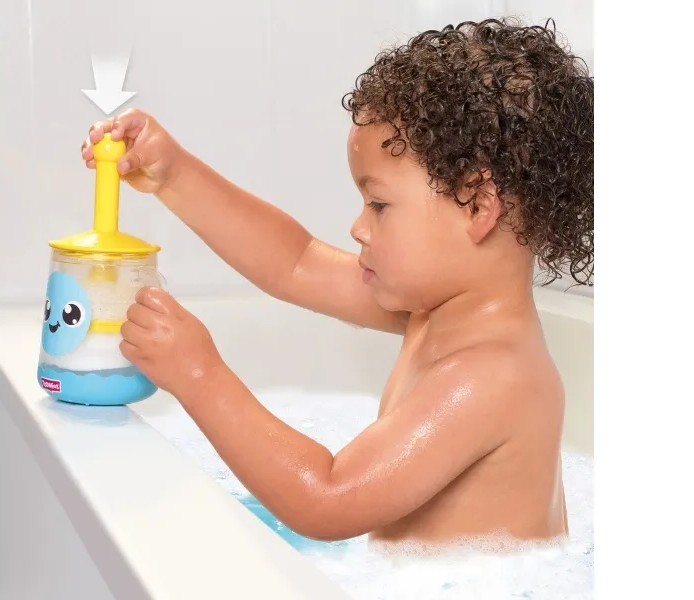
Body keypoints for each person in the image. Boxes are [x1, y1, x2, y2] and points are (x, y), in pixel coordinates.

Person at [80, 18, 593, 549]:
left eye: (379, 204)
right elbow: (294, 262)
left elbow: (327, 498)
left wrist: (198, 374)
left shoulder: (493, 375)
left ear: (479, 207)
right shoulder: (434, 312)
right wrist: (173, 174)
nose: (358, 227)